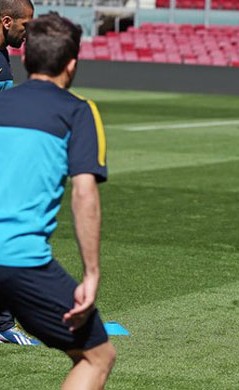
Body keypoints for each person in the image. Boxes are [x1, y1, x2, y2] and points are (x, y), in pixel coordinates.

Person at [0, 12, 116, 388]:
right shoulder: (79, 112)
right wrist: (92, 274)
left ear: (23, 57)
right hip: (19, 260)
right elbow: (84, 195)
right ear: (72, 64)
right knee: (97, 356)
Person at [0, 0, 39, 346]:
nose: (28, 33)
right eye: (25, 26)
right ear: (7, 21)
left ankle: (2, 323)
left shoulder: (3, 56)